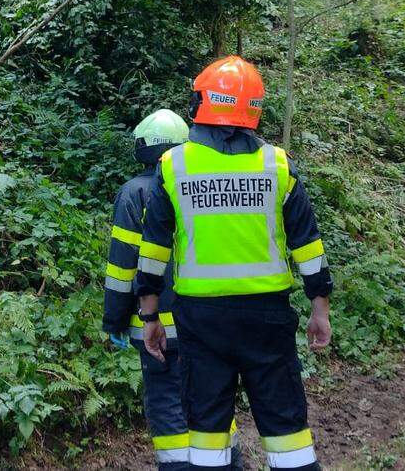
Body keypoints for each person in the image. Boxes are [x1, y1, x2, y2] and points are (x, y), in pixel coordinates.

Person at [135, 55, 332, 471]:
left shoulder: (174, 166)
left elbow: (153, 249)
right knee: (286, 428)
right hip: (268, 318)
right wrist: (320, 308)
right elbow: (308, 245)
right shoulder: (277, 165)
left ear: (202, 103)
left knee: (207, 428)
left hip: (202, 321)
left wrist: (149, 313)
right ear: (254, 109)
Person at [104, 109, 237, 470]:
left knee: (167, 405)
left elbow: (121, 269)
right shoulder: (202, 183)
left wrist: (114, 320)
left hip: (156, 325)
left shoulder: (134, 194)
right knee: (213, 401)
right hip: (207, 323)